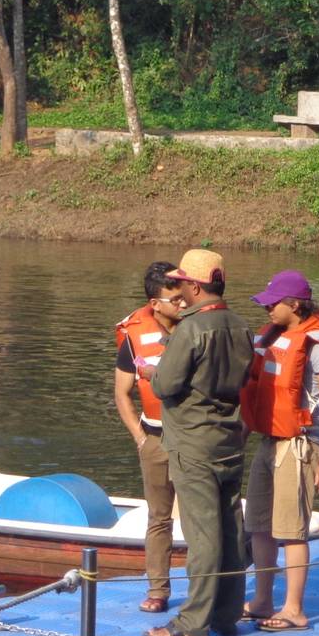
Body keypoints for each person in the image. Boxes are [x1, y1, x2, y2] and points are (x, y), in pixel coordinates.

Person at [145, 248, 257, 636]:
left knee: (203, 536)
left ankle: (193, 622)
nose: (178, 290)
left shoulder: (190, 330)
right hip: (229, 437)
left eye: (181, 283)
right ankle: (227, 615)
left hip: (193, 441)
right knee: (230, 529)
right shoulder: (242, 326)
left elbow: (165, 385)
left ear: (194, 285)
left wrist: (152, 367)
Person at [242, 270, 319, 632]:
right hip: (270, 441)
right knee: (258, 525)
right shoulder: (273, 337)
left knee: (291, 530)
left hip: (301, 445)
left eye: (274, 303)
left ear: (295, 305)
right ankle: (262, 599)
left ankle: (294, 609)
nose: (268, 308)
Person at [112, 262, 185, 614]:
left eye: (183, 295)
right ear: (155, 303)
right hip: (154, 438)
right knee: (159, 518)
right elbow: (122, 392)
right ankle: (158, 589)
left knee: (202, 517)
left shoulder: (199, 327)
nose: (182, 303)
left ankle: (208, 588)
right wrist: (139, 438)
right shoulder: (134, 333)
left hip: (192, 438)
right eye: (174, 298)